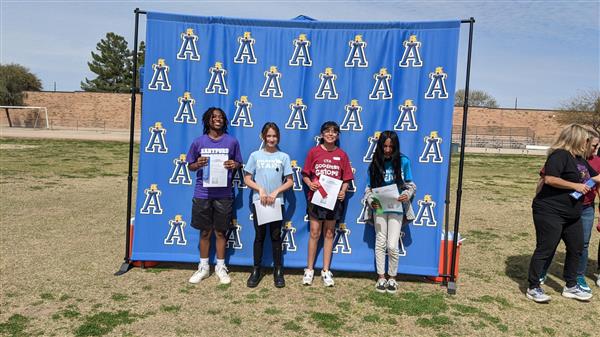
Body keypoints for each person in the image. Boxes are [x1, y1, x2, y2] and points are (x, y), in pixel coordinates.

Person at [527, 124, 600, 302]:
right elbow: (550, 178)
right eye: (587, 140)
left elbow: (594, 177)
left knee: (576, 247)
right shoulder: (559, 155)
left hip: (572, 212)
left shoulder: (580, 160)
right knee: (546, 247)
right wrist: (575, 186)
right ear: (576, 139)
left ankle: (571, 286)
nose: (589, 144)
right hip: (550, 210)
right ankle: (533, 287)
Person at [187, 107, 243, 285]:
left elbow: (239, 164)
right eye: (214, 117)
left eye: (221, 117)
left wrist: (234, 164)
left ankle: (220, 266)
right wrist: (197, 164)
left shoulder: (232, 141)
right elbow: (190, 166)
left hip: (224, 194)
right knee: (205, 231)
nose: (218, 119)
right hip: (203, 193)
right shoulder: (199, 142)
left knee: (220, 231)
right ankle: (203, 267)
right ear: (208, 120)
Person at [362, 131, 416, 293]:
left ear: (395, 146)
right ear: (380, 146)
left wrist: (406, 194)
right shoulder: (375, 162)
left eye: (391, 147)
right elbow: (368, 189)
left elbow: (411, 185)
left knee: (392, 245)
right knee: (380, 242)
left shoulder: (403, 161)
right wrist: (372, 201)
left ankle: (392, 278)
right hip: (379, 208)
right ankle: (381, 277)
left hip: (397, 209)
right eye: (384, 146)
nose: (387, 150)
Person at [301, 121, 354, 287]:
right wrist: (310, 184)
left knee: (329, 233)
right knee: (315, 233)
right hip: (316, 199)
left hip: (333, 201)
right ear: (322, 134)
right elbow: (305, 174)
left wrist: (343, 191)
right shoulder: (314, 152)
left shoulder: (342, 155)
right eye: (327, 131)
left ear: (337, 135)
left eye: (334, 132)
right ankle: (309, 270)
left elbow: (346, 178)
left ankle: (325, 270)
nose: (331, 134)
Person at [243, 122, 294, 288]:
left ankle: (278, 271)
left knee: (275, 236)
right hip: (260, 202)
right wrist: (261, 190)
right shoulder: (255, 156)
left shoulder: (283, 157)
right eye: (269, 136)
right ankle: (256, 269)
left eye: (274, 136)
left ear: (278, 137)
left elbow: (290, 181)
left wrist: (275, 192)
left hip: (276, 203)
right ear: (263, 137)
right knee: (259, 236)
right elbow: (247, 178)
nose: (271, 139)